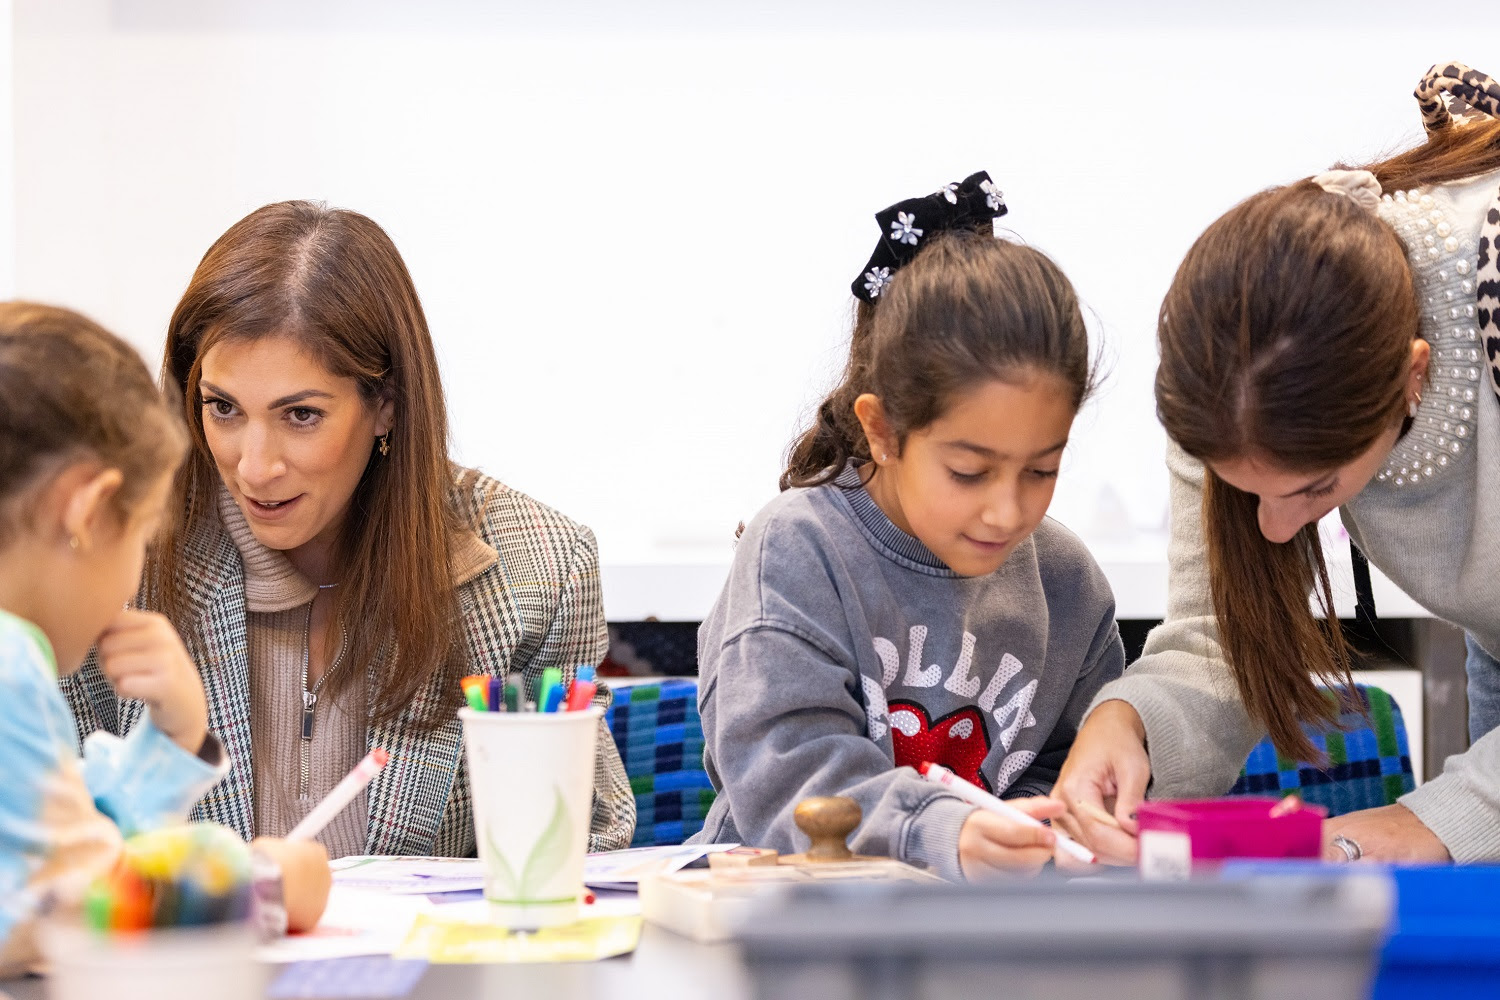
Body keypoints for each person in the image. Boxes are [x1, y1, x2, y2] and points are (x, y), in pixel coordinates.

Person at [61, 201, 635, 857]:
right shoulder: (113, 563)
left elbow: (585, 850)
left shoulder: (539, 570)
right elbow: (47, 852)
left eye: (300, 415)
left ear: (385, 405)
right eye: (222, 407)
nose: (253, 465)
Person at [1056, 61, 1500, 866]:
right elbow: (1222, 635)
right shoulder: (1234, 372)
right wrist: (1128, 725)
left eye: (1316, 487)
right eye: (1245, 488)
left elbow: (1437, 828)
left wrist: (1421, 825)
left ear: (1413, 376)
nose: (1276, 524)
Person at [691, 174, 1125, 881]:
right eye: (969, 471)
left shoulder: (1068, 583)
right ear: (883, 430)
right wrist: (945, 831)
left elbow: (1071, 772)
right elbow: (791, 783)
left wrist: (1038, 833)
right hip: (786, 924)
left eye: (1041, 470)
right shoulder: (798, 553)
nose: (1008, 511)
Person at [0, 303, 329, 974]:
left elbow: (73, 842)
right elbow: (64, 908)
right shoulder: (9, 667)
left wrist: (175, 739)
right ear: (88, 513)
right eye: (141, 536)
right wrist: (260, 887)